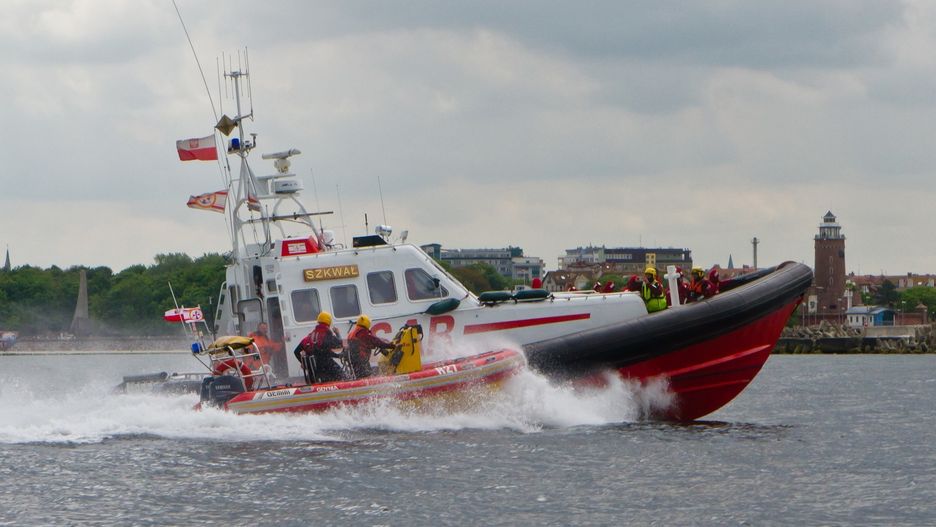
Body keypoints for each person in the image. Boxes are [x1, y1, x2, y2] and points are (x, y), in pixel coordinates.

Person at [293, 311, 346, 384]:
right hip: (326, 367)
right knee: (344, 377)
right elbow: (340, 344)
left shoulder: (310, 336)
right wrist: (337, 333)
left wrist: (304, 364)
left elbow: (296, 351)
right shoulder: (326, 335)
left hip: (313, 371)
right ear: (329, 323)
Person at [346, 315, 394, 379]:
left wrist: (371, 346)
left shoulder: (352, 333)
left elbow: (360, 344)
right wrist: (391, 346)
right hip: (361, 360)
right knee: (367, 377)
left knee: (360, 376)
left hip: (354, 360)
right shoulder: (363, 332)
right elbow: (376, 341)